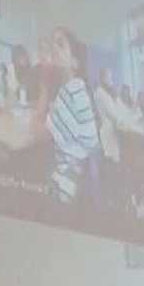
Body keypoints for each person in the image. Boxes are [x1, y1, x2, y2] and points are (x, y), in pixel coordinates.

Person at [45, 27, 99, 204]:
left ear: (75, 62)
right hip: (70, 176)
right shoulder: (72, 88)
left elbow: (47, 129)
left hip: (65, 183)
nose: (53, 48)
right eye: (52, 43)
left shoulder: (73, 90)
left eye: (60, 44)